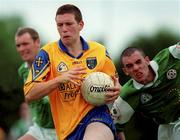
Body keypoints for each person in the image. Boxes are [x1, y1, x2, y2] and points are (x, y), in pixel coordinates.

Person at [24, 4, 120, 140]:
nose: (64, 29)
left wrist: (117, 89)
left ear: (81, 24)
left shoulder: (100, 51)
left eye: (69, 24)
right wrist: (59, 79)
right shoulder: (47, 53)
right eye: (60, 25)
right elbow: (29, 93)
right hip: (67, 130)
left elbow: (116, 83)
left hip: (97, 117)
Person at [110, 43, 180, 140]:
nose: (136, 68)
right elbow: (115, 128)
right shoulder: (127, 96)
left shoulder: (170, 56)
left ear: (147, 60)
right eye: (129, 66)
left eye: (138, 62)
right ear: (125, 71)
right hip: (165, 128)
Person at [15, 27, 57, 140]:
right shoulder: (22, 70)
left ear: (37, 42)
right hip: (40, 128)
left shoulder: (53, 63)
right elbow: (30, 98)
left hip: (62, 128)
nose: (21, 49)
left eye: (25, 44)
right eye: (18, 45)